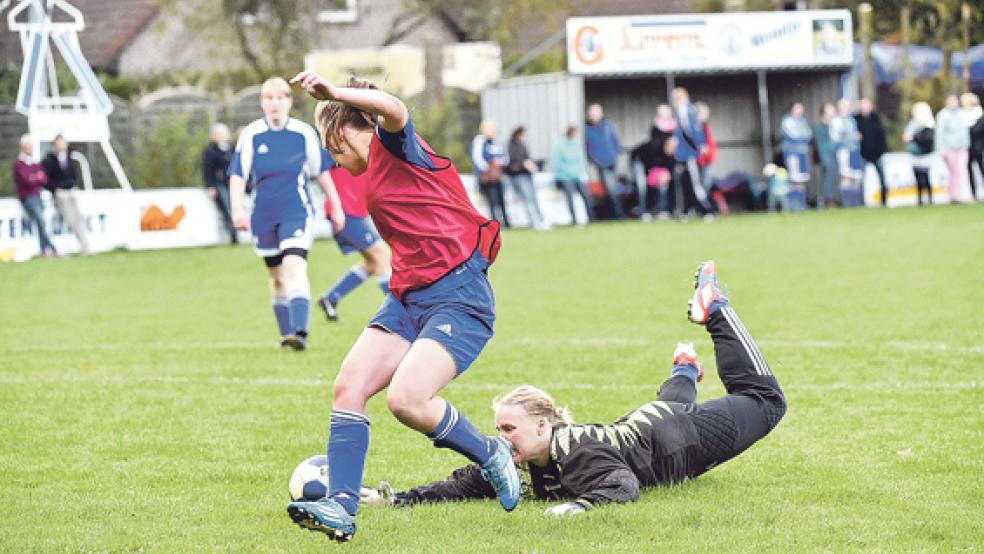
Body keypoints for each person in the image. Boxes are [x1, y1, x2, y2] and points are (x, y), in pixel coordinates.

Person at [286, 71, 520, 542]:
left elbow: (392, 108)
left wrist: (334, 93)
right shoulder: (370, 168)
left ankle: (492, 453)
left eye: (330, 143)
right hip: (407, 297)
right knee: (348, 387)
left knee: (407, 400)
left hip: (459, 296)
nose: (330, 157)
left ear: (348, 127)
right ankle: (342, 507)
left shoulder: (395, 145)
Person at [361, 261, 786, 516]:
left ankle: (716, 309)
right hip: (648, 424)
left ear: (544, 425)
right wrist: (398, 500)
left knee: (766, 402)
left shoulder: (577, 451)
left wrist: (577, 508)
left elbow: (623, 486)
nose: (501, 439)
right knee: (670, 404)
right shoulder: (519, 463)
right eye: (500, 429)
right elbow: (460, 485)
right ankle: (685, 370)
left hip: (679, 441)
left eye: (510, 428)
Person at [228, 77, 345, 351]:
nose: (275, 104)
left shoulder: (303, 133)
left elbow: (321, 172)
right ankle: (286, 335)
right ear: (262, 103)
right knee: (276, 277)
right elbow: (237, 175)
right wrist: (237, 209)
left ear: (289, 102)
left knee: (294, 266)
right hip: (264, 215)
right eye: (269, 98)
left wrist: (336, 206)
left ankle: (301, 331)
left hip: (297, 211)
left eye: (280, 98)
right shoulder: (252, 135)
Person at [316, 153, 392, 321]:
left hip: (356, 211)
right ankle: (400, 310)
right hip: (346, 211)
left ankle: (331, 297)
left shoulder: (365, 142)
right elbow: (318, 168)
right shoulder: (336, 142)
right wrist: (336, 206)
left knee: (373, 263)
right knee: (382, 257)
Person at [41, 134, 91, 254]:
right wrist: (55, 189)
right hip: (60, 194)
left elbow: (74, 174)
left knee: (78, 218)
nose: (62, 145)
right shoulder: (48, 160)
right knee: (70, 219)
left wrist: (74, 185)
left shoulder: (69, 157)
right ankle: (80, 245)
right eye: (59, 143)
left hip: (71, 191)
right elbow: (45, 180)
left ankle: (85, 245)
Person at [672, 88, 713, 220]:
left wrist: (698, 146)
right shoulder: (684, 111)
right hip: (685, 154)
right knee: (687, 184)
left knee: (695, 183)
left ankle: (707, 210)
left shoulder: (685, 110)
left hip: (688, 154)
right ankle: (688, 211)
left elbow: (690, 131)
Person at [13, 134, 57, 257]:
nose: (31, 149)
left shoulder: (33, 163)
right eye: (28, 146)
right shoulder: (18, 163)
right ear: (23, 147)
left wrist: (35, 178)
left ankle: (46, 249)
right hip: (28, 197)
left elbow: (44, 178)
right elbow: (27, 180)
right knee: (40, 221)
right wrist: (36, 177)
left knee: (41, 222)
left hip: (37, 196)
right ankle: (50, 248)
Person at [584, 103, 626, 219]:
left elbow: (614, 141)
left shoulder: (608, 125)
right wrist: (594, 160)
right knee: (610, 190)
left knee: (613, 189)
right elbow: (587, 148)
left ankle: (614, 214)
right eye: (593, 113)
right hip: (601, 163)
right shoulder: (586, 129)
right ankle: (617, 215)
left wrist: (616, 154)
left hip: (612, 161)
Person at [505, 126, 548, 230]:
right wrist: (526, 164)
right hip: (519, 176)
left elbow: (526, 158)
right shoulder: (512, 145)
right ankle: (534, 221)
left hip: (527, 175)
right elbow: (516, 160)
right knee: (528, 199)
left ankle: (541, 220)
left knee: (534, 199)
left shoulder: (522, 144)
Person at [550, 125, 594, 225]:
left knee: (586, 196)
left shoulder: (576, 144)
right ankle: (574, 220)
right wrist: (571, 172)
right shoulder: (559, 145)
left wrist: (581, 172)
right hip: (564, 176)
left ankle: (592, 218)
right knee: (570, 197)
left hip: (577, 175)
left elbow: (581, 160)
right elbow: (557, 163)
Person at [470, 120, 510, 228]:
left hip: (497, 176)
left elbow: (505, 158)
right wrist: (488, 168)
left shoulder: (497, 141)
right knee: (492, 200)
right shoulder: (479, 141)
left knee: (501, 200)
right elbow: (477, 158)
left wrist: (498, 164)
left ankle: (506, 222)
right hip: (486, 177)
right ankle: (495, 223)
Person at [202, 123, 237, 244]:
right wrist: (210, 186)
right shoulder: (210, 151)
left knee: (235, 207)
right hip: (220, 184)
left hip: (233, 183)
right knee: (227, 208)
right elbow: (208, 170)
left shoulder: (233, 148)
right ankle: (234, 235)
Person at [935, 93, 971, 203]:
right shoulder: (943, 115)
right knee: (954, 172)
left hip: (962, 148)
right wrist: (940, 149)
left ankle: (958, 195)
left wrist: (966, 145)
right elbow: (940, 133)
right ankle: (954, 196)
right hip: (949, 148)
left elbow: (965, 131)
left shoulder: (961, 113)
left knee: (960, 172)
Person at [829, 99, 864, 207]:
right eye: (843, 106)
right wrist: (850, 136)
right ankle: (846, 202)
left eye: (847, 106)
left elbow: (855, 134)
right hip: (843, 151)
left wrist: (856, 136)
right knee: (845, 175)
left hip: (854, 150)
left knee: (856, 175)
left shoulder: (851, 120)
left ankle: (856, 202)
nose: (846, 108)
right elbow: (836, 137)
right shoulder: (835, 120)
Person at [854, 98, 888, 206]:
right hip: (862, 154)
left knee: (882, 178)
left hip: (876, 154)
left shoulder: (876, 118)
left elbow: (881, 136)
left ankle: (884, 201)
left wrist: (881, 151)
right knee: (860, 180)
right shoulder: (855, 119)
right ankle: (861, 202)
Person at [780, 102, 812, 212]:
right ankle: (794, 205)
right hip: (792, 153)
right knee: (794, 178)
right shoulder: (786, 121)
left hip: (802, 153)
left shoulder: (803, 121)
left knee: (802, 178)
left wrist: (802, 136)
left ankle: (802, 204)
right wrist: (801, 136)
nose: (800, 110)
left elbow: (808, 134)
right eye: (798, 108)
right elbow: (793, 135)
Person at [903, 102, 936, 206]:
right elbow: (906, 137)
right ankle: (920, 199)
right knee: (917, 178)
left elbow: (927, 139)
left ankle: (929, 198)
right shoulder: (912, 123)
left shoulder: (929, 124)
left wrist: (914, 137)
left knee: (925, 178)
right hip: (914, 154)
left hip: (925, 155)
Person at [814, 103, 839, 208]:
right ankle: (826, 201)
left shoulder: (832, 125)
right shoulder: (820, 126)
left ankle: (831, 200)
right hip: (826, 156)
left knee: (833, 178)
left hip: (833, 155)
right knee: (827, 179)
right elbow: (820, 144)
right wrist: (823, 158)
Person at [695, 101, 718, 203]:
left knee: (706, 184)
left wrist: (708, 152)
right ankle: (698, 207)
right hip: (696, 161)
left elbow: (711, 145)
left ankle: (704, 206)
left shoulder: (706, 128)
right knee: (697, 185)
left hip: (707, 160)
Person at [962, 92, 984, 201]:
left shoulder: (980, 115)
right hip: (967, 148)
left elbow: (977, 130)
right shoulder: (963, 116)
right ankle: (973, 194)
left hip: (979, 148)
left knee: (982, 170)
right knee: (970, 172)